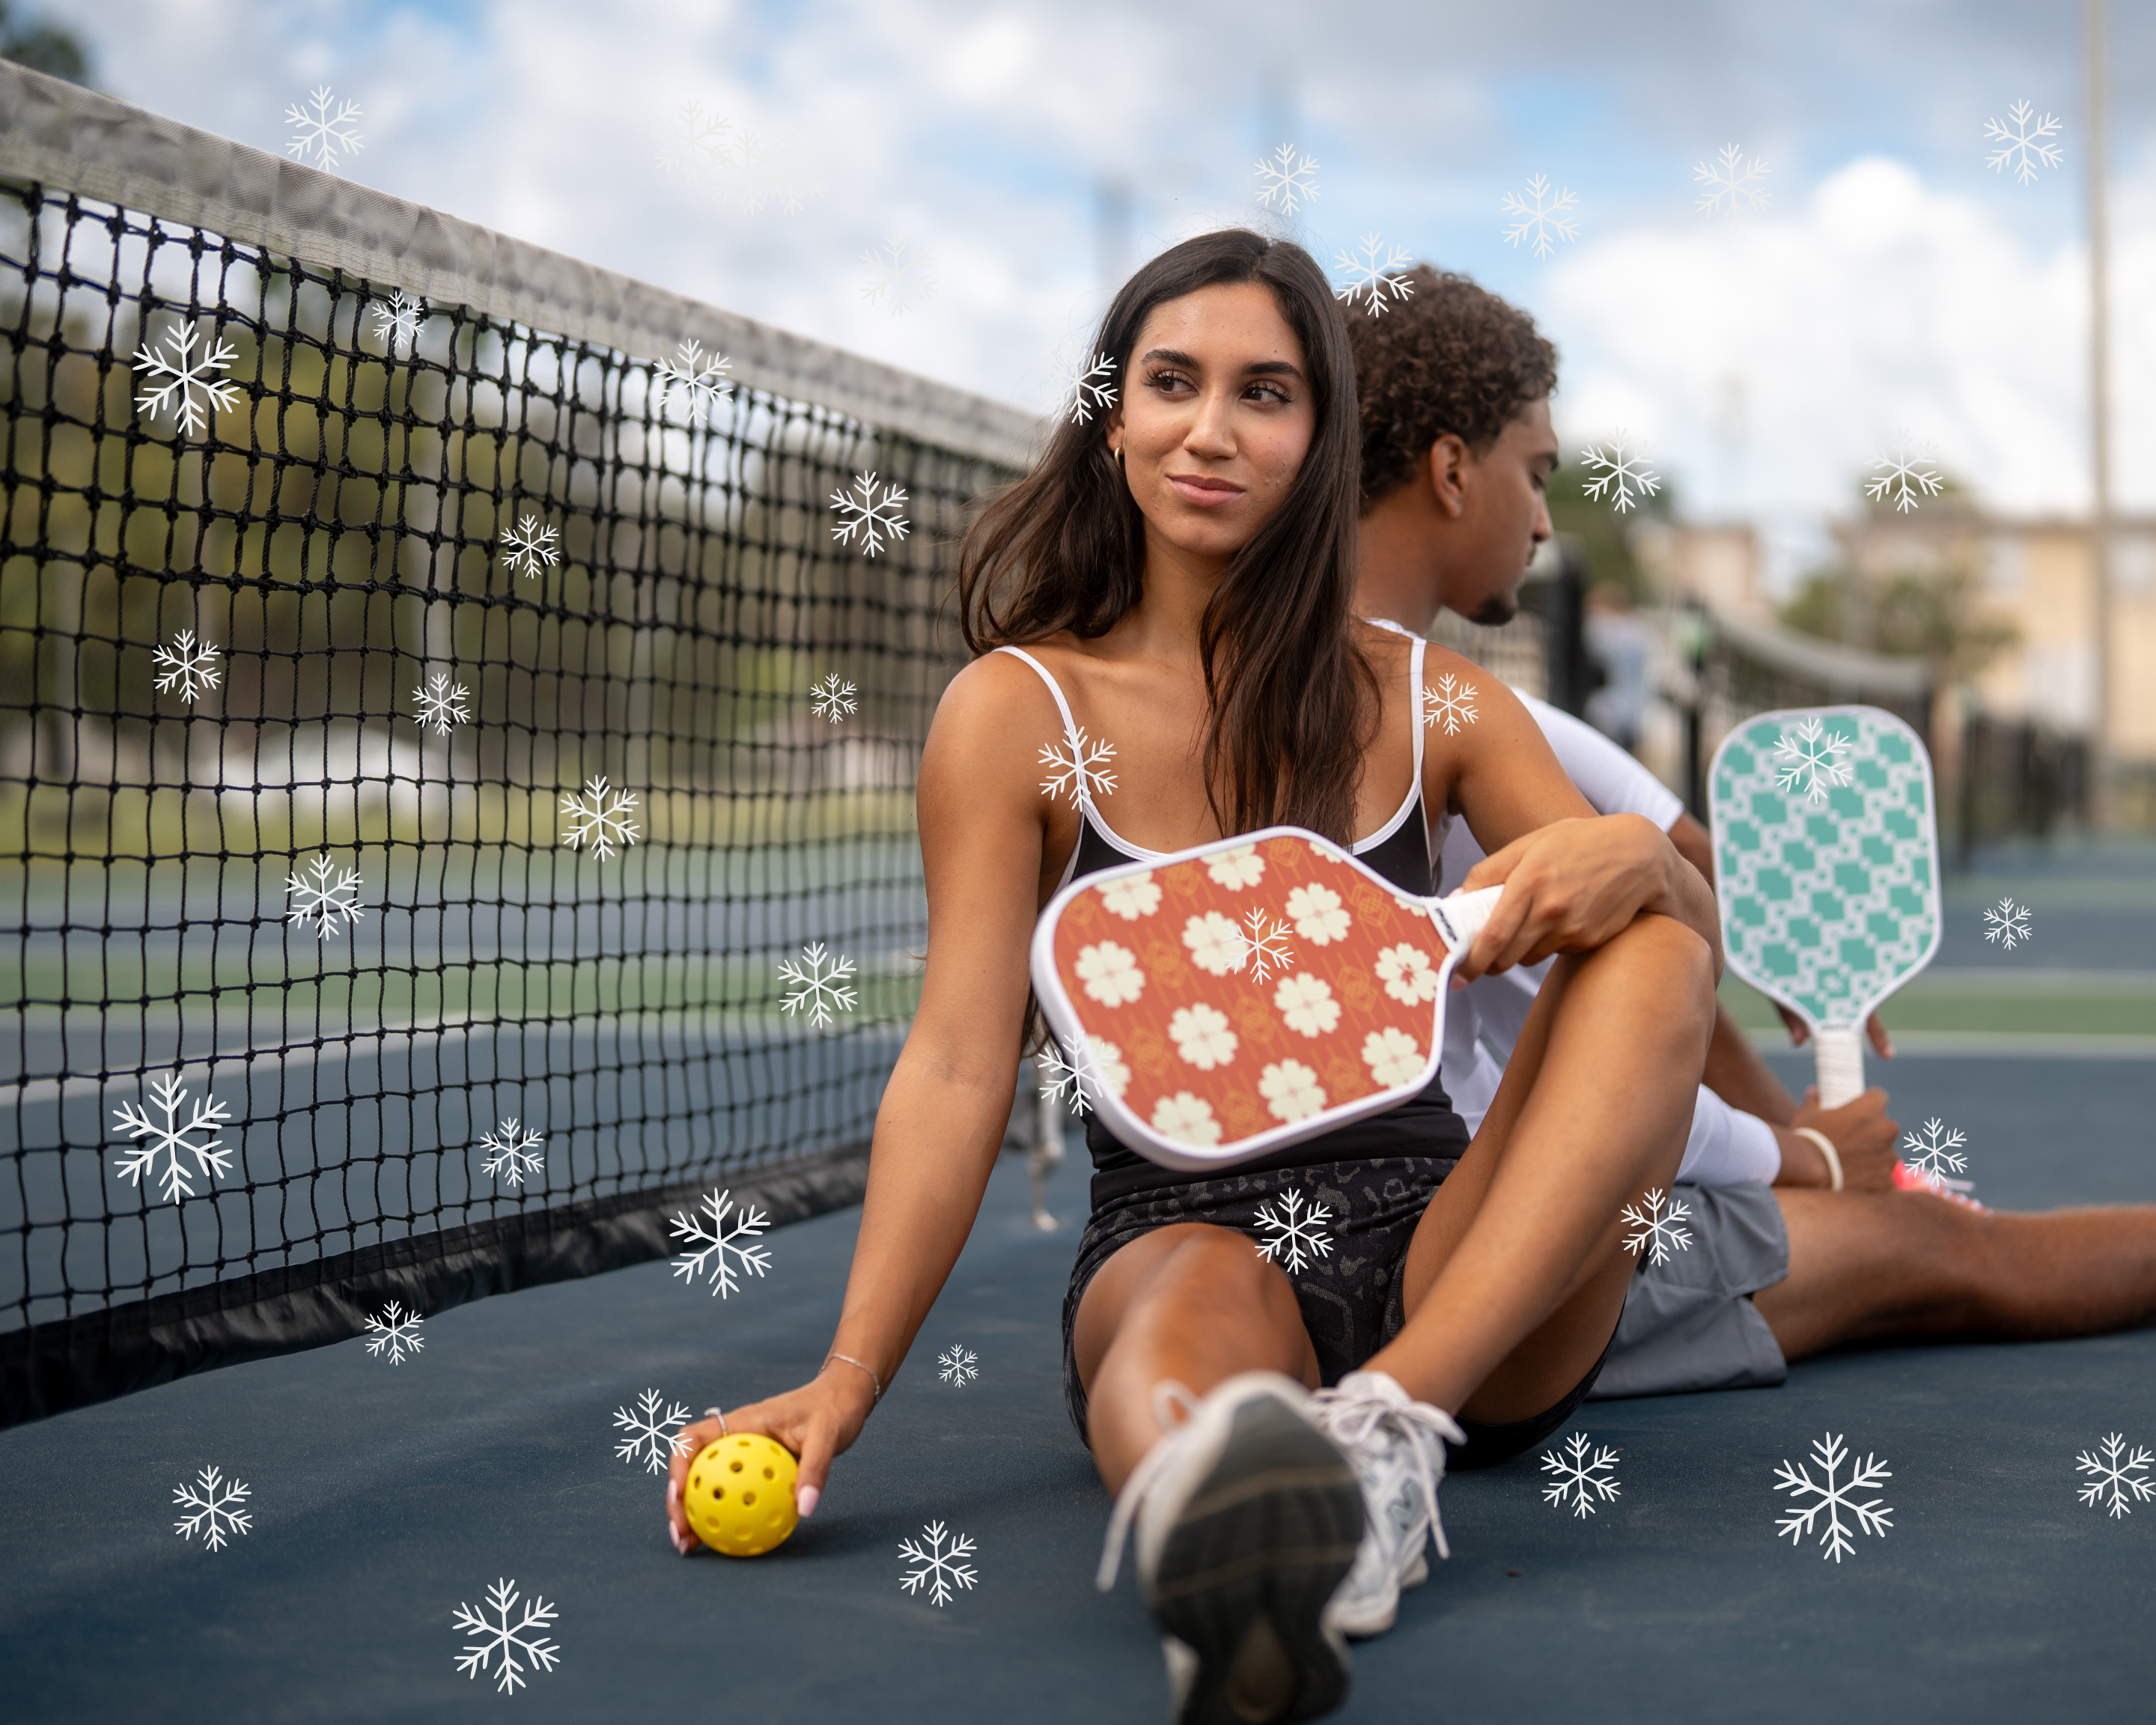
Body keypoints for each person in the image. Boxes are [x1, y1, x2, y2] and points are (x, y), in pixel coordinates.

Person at [667, 229, 1726, 1725]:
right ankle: (1237, 1569)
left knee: (1655, 949)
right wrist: (848, 1377)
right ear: (1115, 415)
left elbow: (1677, 956)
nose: (1212, 429)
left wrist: (1642, 862)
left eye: (1267, 393)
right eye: (1173, 381)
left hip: (1460, 1269)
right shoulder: (1015, 713)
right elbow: (962, 1063)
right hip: (1181, 1230)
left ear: (1322, 438)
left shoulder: (1437, 700)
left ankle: (1391, 1429)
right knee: (1189, 1336)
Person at [1348, 264, 2156, 1399]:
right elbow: (1658, 968)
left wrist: (1794, 998)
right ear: (1447, 471)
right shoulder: (1472, 720)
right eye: (1533, 477)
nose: (1542, 521)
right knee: (1953, 1253)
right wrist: (1803, 1153)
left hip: (1376, 1221)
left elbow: (1697, 872)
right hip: (1503, 1238)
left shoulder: (1395, 699)